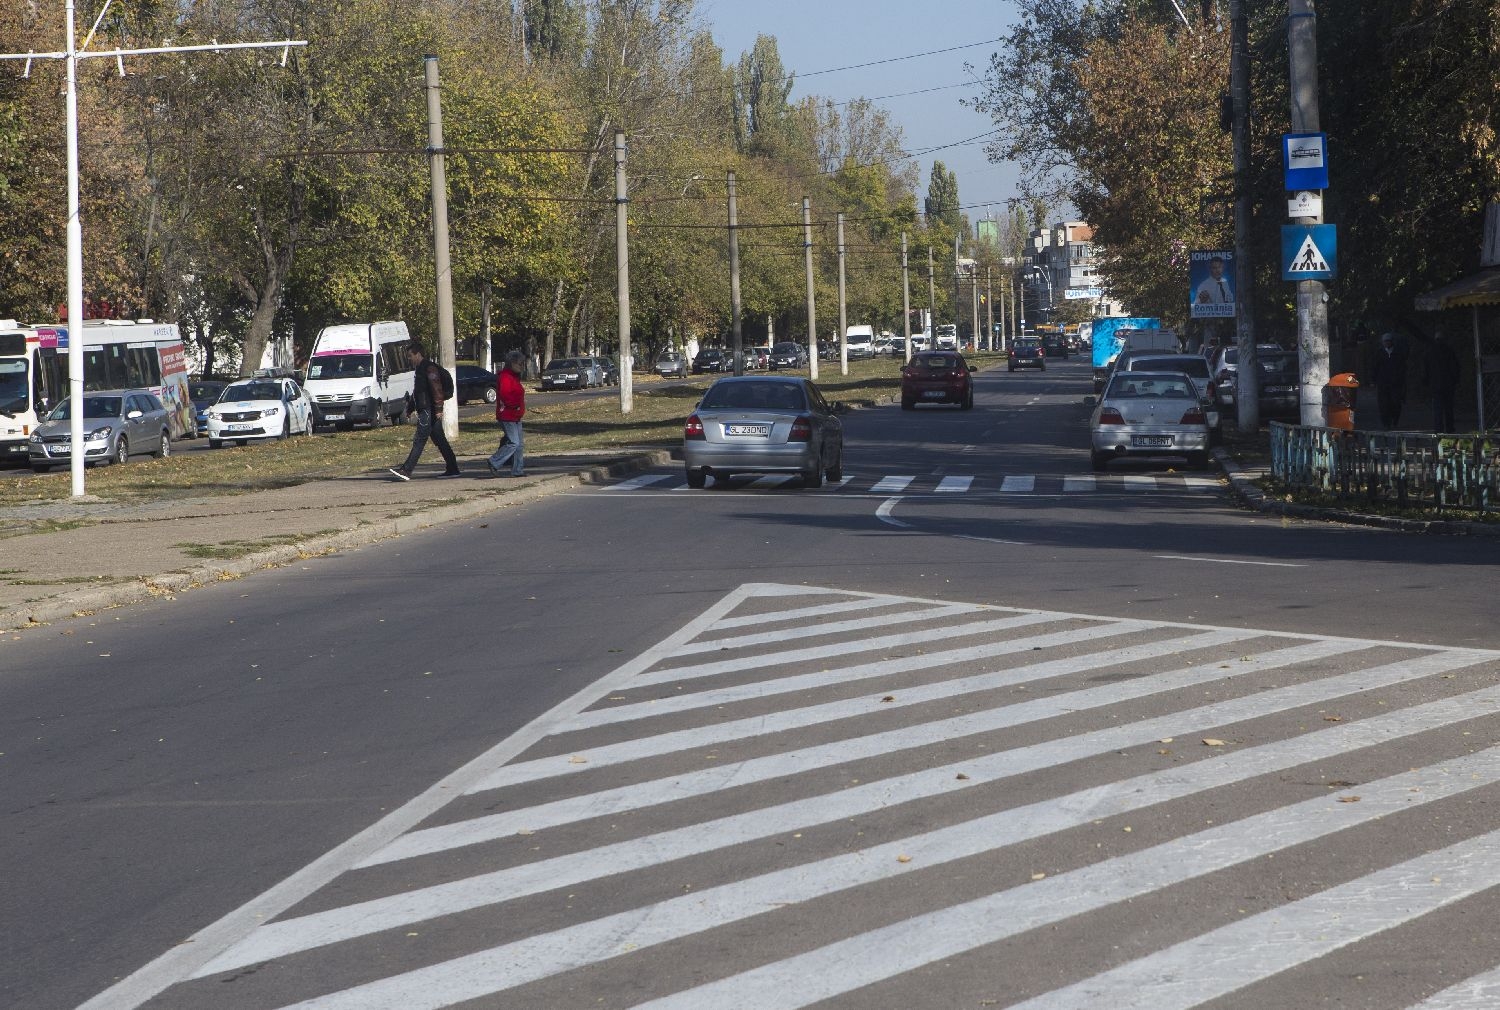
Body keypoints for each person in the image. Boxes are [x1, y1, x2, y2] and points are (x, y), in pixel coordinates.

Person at [388, 340, 460, 480]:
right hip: (426, 408)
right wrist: (410, 408)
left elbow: (437, 390)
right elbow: (419, 392)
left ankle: (406, 470)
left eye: (410, 356)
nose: (409, 359)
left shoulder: (428, 368)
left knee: (419, 440)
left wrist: (439, 408)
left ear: (418, 354)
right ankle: (453, 469)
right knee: (440, 440)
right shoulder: (420, 369)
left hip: (429, 409)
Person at [488, 348, 527, 477]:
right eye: (519, 364)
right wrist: (515, 406)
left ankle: (517, 470)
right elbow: (505, 395)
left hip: (516, 415)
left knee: (519, 444)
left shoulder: (514, 377)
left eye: (522, 364)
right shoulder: (505, 377)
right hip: (507, 415)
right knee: (514, 442)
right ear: (512, 363)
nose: (522, 366)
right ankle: (494, 461)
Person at [1371, 332, 1408, 430]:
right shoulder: (1379, 353)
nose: (1386, 343)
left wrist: (1402, 380)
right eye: (1385, 341)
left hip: (1396, 383)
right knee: (1383, 404)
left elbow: (1403, 368)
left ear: (1392, 342)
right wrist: (1373, 379)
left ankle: (1394, 420)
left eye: (1388, 341)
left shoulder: (1398, 353)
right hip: (1383, 383)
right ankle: (1386, 423)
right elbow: (1375, 367)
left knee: (1396, 403)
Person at [1426, 330, 1461, 433]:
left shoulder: (1430, 352)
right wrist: (1456, 380)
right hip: (1448, 384)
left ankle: (1438, 429)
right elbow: (1455, 367)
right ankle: (1449, 428)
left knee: (1438, 409)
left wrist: (1427, 381)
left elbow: (1426, 369)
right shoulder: (1449, 351)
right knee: (1448, 408)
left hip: (1436, 384)